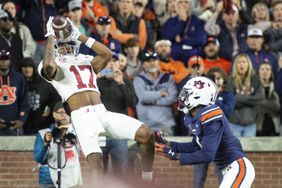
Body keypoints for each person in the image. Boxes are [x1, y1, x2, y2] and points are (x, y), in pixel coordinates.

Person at [39, 16, 155, 182]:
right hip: (81, 117)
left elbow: (107, 54)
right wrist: (51, 35)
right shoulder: (52, 62)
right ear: (56, 49)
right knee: (96, 162)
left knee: (146, 134)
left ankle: (147, 179)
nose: (68, 47)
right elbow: (49, 67)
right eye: (63, 45)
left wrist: (79, 35)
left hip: (102, 112)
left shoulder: (86, 60)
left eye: (70, 44)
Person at [155, 76, 255, 188]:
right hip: (228, 170)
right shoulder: (192, 116)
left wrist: (177, 155)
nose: (182, 96)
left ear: (199, 96)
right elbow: (195, 146)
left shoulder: (211, 114)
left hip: (238, 168)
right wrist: (169, 144)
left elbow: (207, 154)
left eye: (187, 93)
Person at [192, 67, 235, 188]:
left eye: (218, 78)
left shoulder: (228, 95)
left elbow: (227, 112)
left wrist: (214, 97)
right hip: (203, 138)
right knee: (199, 177)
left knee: (222, 176)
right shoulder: (202, 95)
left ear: (223, 80)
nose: (216, 81)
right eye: (212, 78)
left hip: (220, 139)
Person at [97, 53, 138, 176]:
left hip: (118, 132)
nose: (111, 64)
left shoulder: (125, 81)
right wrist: (95, 78)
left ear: (119, 64)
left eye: (114, 61)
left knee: (120, 171)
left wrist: (120, 83)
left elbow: (133, 102)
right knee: (99, 171)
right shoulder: (95, 81)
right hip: (100, 131)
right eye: (108, 61)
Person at [34, 101, 82, 188]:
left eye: (67, 113)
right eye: (61, 112)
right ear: (54, 114)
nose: (64, 115)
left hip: (72, 178)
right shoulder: (43, 133)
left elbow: (82, 153)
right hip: (49, 179)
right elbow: (38, 158)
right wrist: (46, 144)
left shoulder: (76, 132)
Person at [20, 57, 61, 135]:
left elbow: (56, 98)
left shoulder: (44, 82)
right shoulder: (18, 84)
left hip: (43, 123)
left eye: (30, 66)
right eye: (24, 67)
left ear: (33, 68)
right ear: (21, 69)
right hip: (24, 123)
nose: (27, 69)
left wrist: (50, 107)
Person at [0, 49, 28, 136]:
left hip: (15, 125)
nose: (3, 62)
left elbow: (24, 100)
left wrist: (22, 119)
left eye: (6, 59)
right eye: (1, 59)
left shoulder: (19, 78)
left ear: (10, 60)